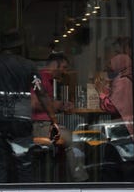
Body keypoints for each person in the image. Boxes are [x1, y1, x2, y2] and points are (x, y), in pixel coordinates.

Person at [0, 28, 58, 183]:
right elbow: (41, 93)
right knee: (24, 166)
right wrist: (54, 120)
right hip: (21, 122)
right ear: (19, 46)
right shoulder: (29, 66)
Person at [30, 52, 87, 181]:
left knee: (72, 138)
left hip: (45, 126)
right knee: (74, 139)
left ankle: (66, 179)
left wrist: (60, 106)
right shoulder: (40, 78)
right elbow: (33, 103)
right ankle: (81, 181)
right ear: (55, 64)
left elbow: (47, 105)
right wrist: (57, 104)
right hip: (40, 127)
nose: (65, 71)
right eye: (64, 67)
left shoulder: (46, 79)